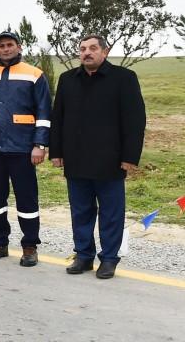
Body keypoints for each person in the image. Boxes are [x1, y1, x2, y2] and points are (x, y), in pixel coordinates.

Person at [50, 34, 146, 279]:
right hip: (76, 158)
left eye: (93, 48)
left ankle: (109, 259)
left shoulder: (124, 78)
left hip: (110, 160)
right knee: (80, 211)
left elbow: (135, 120)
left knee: (111, 213)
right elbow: (58, 118)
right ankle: (83, 256)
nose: (87, 52)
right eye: (83, 49)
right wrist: (56, 151)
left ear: (105, 51)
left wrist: (130, 157)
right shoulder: (67, 79)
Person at [0, 32, 51, 267]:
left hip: (23, 148)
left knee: (26, 199)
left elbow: (44, 112)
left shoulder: (34, 74)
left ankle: (30, 246)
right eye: (1, 46)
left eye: (10, 45)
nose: (6, 49)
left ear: (19, 47)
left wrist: (39, 144)